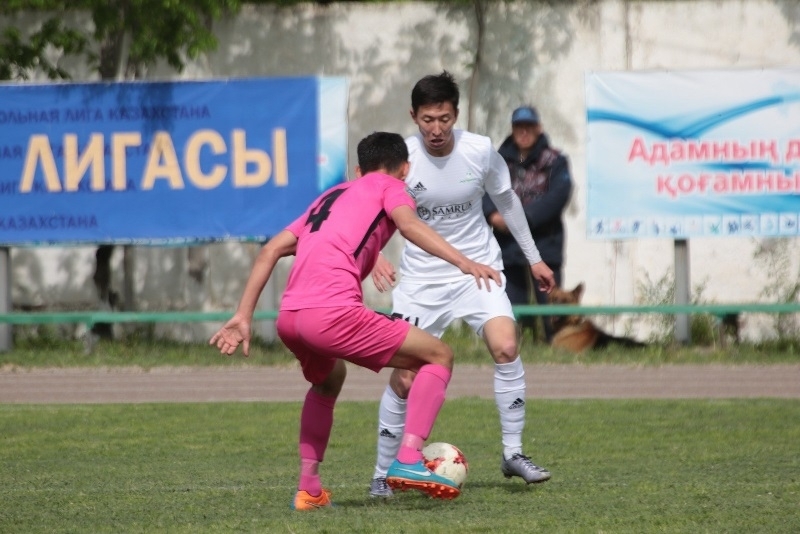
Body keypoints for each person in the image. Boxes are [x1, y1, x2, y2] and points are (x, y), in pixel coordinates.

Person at [209, 131, 502, 510]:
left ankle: (309, 490)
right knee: (438, 355)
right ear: (405, 169)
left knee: (329, 379)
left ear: (358, 169)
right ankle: (409, 458)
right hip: (331, 313)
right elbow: (409, 226)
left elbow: (272, 249)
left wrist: (243, 315)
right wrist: (464, 262)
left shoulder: (330, 196)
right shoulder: (392, 186)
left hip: (291, 318)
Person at [368, 72, 556, 498]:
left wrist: (534, 258)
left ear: (457, 114)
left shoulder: (480, 150)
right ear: (413, 116)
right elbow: (371, 208)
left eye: (445, 119)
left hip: (478, 270)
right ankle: (381, 474)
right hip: (422, 280)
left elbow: (507, 200)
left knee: (506, 345)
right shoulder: (402, 158)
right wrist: (374, 254)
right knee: (405, 378)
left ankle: (513, 453)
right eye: (428, 120)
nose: (436, 129)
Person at [483, 105, 573, 342]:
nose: (524, 132)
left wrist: (520, 219)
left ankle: (557, 347)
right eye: (519, 127)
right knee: (513, 309)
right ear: (512, 129)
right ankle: (518, 348)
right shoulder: (497, 160)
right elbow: (482, 190)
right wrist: (492, 215)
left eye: (529, 127)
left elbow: (558, 196)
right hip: (508, 245)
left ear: (539, 128)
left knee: (552, 308)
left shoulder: (555, 160)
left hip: (544, 242)